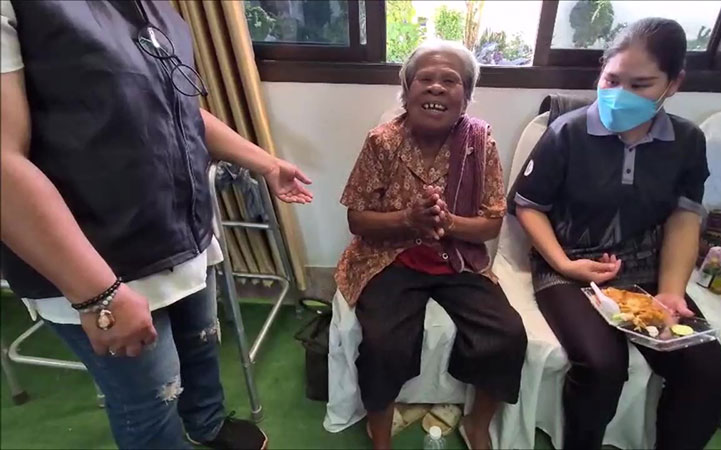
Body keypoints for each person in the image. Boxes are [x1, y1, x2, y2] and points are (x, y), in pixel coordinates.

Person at [0, 1, 311, 449]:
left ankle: (206, 425)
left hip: (179, 229)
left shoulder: (158, 10)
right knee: (151, 397)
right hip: (98, 260)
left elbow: (179, 109)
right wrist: (99, 294)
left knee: (201, 347)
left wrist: (268, 164)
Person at [509, 18, 721, 450]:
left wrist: (672, 291)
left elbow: (684, 217)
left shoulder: (687, 141)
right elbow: (528, 206)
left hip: (644, 271)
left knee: (707, 373)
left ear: (674, 84)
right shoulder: (567, 132)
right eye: (611, 80)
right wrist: (564, 263)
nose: (619, 94)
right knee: (601, 365)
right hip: (569, 269)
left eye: (640, 85)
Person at [335, 40, 527, 450]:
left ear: (466, 97)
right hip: (390, 259)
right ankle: (380, 433)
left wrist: (448, 223)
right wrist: (408, 219)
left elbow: (491, 223)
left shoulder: (479, 143)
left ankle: (477, 425)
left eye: (450, 81)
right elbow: (357, 219)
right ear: (406, 91)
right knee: (384, 343)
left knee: (508, 335)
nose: (436, 87)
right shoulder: (383, 141)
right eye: (424, 79)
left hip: (457, 259)